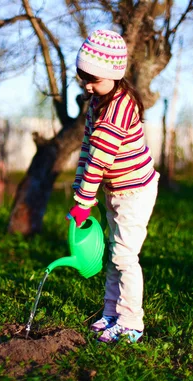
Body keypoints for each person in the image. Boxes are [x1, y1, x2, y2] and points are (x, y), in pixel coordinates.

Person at [66, 29, 159, 344]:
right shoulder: (97, 103)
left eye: (94, 79)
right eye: (84, 78)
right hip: (115, 190)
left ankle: (132, 322)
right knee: (114, 253)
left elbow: (99, 161)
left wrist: (84, 200)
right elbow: (87, 153)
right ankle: (111, 312)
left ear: (114, 75)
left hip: (135, 191)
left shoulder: (119, 106)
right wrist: (80, 197)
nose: (88, 85)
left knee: (124, 255)